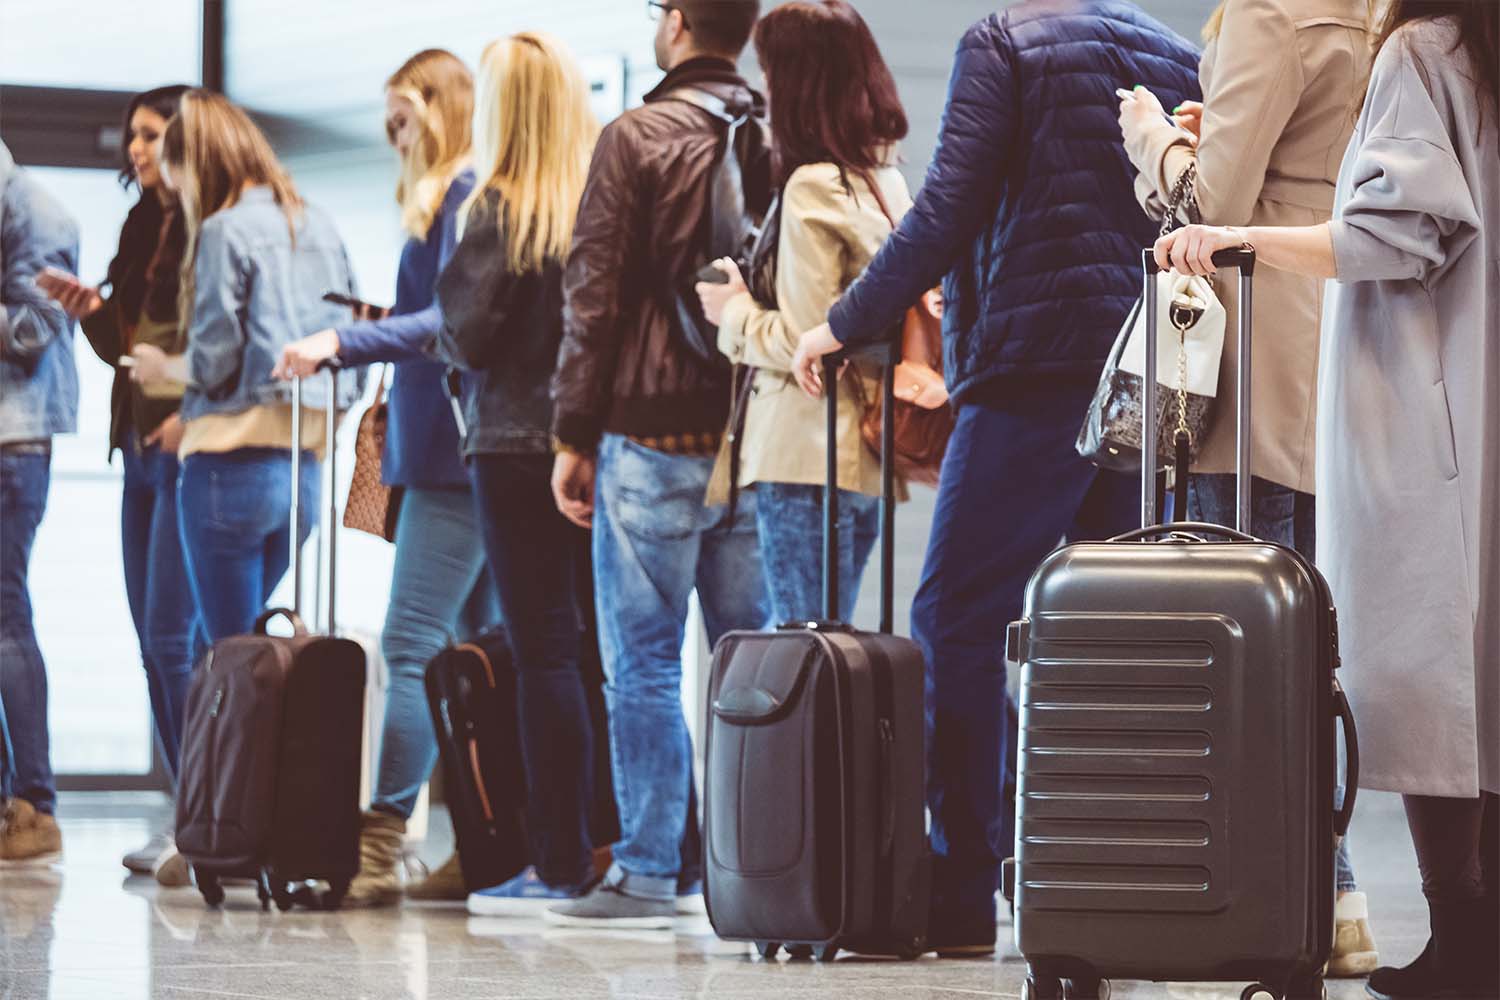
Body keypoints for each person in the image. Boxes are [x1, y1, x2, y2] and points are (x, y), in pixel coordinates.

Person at [788, 0, 1200, 955]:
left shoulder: (1003, 42)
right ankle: (1096, 887)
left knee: (957, 617)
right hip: (1150, 373)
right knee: (1104, 640)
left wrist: (842, 322)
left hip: (1035, 369)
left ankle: (964, 888)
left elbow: (947, 207)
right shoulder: (1172, 50)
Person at [1154, 2, 1497, 995]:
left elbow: (1394, 234)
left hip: (1425, 403)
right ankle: (1483, 940)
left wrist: (1237, 242)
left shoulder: (1425, 53)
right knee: (1482, 679)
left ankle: (1463, 938)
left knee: (1429, 679)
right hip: (1478, 399)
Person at [1116, 0, 1378, 976]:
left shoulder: (1271, 12)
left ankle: (1297, 897)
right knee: (1311, 642)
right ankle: (1335, 897)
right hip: (1333, 341)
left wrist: (1152, 141)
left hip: (1255, 354)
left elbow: (1213, 199)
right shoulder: (1374, 15)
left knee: (1247, 652)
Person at [547, 0, 770, 929]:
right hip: (756, 428)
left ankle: (647, 870)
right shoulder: (779, 127)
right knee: (749, 663)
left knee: (639, 661)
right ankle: (757, 861)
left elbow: (593, 291)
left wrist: (572, 429)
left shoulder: (635, 135)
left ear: (676, 22)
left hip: (648, 430)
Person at [274, 49, 499, 907]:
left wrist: (346, 341)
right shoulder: (453, 196)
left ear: (437, 110)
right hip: (451, 454)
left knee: (412, 647)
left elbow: (451, 320)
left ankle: (380, 842)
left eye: (401, 116)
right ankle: (484, 847)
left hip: (452, 459)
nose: (389, 132)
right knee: (473, 657)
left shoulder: (462, 191)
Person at [429, 31, 604, 914]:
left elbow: (459, 333)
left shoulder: (495, 207)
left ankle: (559, 860)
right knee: (596, 654)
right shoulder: (598, 201)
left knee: (540, 654)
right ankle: (623, 846)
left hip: (508, 446)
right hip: (592, 445)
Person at [695, 0, 912, 625]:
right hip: (865, 454)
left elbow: (805, 336)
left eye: (769, 72)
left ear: (796, 83)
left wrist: (732, 311)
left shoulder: (813, 185)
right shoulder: (880, 180)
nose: (762, 87)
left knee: (805, 651)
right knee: (833, 649)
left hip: (805, 451)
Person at [37, 84, 204, 884]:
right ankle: (191, 809)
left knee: (178, 641)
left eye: (151, 134)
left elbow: (221, 345)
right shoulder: (143, 223)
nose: (136, 150)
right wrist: (91, 309)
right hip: (139, 446)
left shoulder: (214, 226)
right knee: (152, 641)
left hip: (194, 449)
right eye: (132, 138)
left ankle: (208, 816)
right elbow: (125, 348)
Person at [131, 90, 361, 645]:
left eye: (177, 177)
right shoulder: (318, 223)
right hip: (303, 474)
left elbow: (213, 362)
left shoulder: (223, 230)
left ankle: (212, 740)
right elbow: (351, 342)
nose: (180, 193)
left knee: (223, 661)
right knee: (252, 658)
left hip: (227, 469)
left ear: (196, 165)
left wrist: (165, 367)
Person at [0, 141, 79, 864]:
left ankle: (36, 804)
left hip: (14, 445)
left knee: (6, 617)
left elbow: (30, 330)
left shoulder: (39, 214)